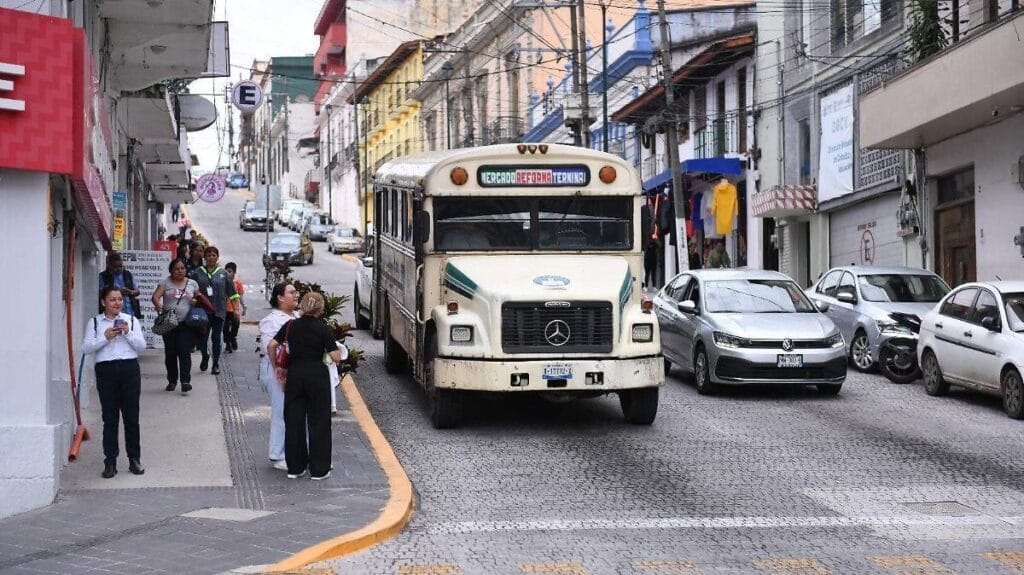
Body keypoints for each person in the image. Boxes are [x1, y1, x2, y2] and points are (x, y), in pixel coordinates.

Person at [268, 292, 341, 480]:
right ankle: (319, 469)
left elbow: (272, 345)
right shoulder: (323, 328)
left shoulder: (290, 325)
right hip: (317, 376)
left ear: (302, 306)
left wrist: (277, 366)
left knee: (294, 421)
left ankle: (295, 468)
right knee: (319, 421)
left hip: (295, 375)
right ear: (320, 309)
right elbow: (335, 357)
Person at [83, 286, 148, 478]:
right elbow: (86, 348)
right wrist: (105, 338)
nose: (117, 303)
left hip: (129, 369)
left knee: (131, 417)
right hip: (106, 370)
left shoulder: (131, 320)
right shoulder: (95, 322)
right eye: (112, 299)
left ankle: (134, 459)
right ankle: (110, 461)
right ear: (103, 302)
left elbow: (142, 347)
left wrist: (127, 333)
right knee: (110, 418)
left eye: (119, 299)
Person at [258, 283, 299, 470]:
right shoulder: (271, 321)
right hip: (277, 370)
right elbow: (271, 349)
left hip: (295, 371)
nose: (296, 295)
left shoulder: (298, 317)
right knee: (281, 411)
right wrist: (279, 371)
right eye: (291, 292)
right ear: (280, 298)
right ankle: (278, 454)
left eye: (296, 292)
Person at [152, 259, 200, 394]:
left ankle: (185, 381)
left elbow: (198, 297)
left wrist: (195, 301)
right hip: (169, 322)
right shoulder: (165, 282)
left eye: (182, 268)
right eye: (177, 269)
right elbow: (155, 297)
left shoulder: (192, 283)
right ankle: (172, 380)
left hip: (186, 323)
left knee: (184, 352)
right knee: (171, 353)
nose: (180, 271)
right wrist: (159, 305)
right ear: (171, 271)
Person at [190, 245, 238, 375]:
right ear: (204, 257)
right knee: (203, 338)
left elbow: (232, 293)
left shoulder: (224, 274)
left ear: (217, 257)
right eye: (208, 255)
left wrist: (236, 310)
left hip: (219, 311)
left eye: (213, 255)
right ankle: (205, 356)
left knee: (216, 338)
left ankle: (215, 364)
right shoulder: (197, 273)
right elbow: (190, 290)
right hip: (203, 311)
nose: (211, 257)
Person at [99, 253, 143, 321]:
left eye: (121, 266)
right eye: (115, 267)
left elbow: (137, 292)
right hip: (112, 314)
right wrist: (116, 292)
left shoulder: (128, 274)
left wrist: (130, 292)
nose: (119, 269)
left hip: (130, 312)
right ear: (109, 265)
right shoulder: (103, 276)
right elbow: (101, 293)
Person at [223, 262, 246, 353]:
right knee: (225, 328)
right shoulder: (222, 282)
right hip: (224, 310)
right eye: (226, 272)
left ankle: (233, 338)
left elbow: (241, 296)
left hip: (234, 310)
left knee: (235, 325)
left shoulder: (237, 283)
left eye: (230, 271)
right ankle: (227, 344)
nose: (228, 274)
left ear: (234, 272)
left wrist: (244, 306)